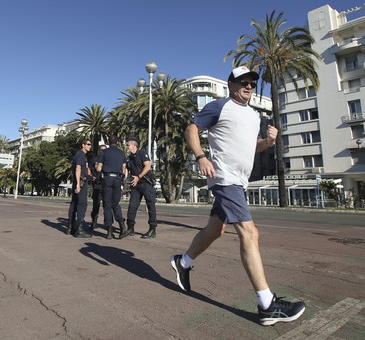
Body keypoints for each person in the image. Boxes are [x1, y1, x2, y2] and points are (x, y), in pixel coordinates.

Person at [171, 66, 305, 326]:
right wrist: (201, 157)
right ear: (231, 84)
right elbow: (191, 129)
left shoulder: (254, 117)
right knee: (250, 233)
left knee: (215, 230)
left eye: (252, 83)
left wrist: (267, 142)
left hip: (238, 182)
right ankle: (267, 305)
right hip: (224, 178)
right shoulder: (219, 106)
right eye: (243, 82)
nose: (248, 86)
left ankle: (183, 261)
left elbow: (250, 147)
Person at [125, 137, 157, 238]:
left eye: (128, 145)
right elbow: (127, 171)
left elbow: (147, 166)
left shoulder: (142, 153)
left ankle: (152, 230)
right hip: (135, 185)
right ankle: (130, 228)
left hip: (146, 183)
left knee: (150, 206)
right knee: (132, 207)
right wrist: (125, 183)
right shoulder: (129, 158)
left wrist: (139, 177)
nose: (127, 147)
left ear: (134, 146)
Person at [96, 136, 128, 239]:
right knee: (115, 203)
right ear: (117, 142)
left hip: (107, 178)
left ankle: (109, 231)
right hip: (118, 179)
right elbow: (124, 168)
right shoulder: (121, 153)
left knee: (107, 205)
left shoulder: (104, 153)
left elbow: (99, 168)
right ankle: (122, 226)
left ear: (108, 142)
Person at [66, 138, 92, 238]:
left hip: (80, 182)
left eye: (90, 144)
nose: (90, 146)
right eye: (88, 144)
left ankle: (70, 227)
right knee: (82, 204)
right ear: (83, 145)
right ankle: (79, 229)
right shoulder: (81, 155)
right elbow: (78, 169)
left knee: (74, 203)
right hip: (81, 183)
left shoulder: (80, 155)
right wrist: (78, 184)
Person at [89, 144, 107, 230]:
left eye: (104, 150)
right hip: (96, 183)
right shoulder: (95, 159)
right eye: (101, 150)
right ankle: (94, 221)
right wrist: (91, 176)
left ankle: (107, 222)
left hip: (106, 184)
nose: (102, 151)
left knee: (107, 204)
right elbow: (89, 168)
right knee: (96, 204)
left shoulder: (108, 159)